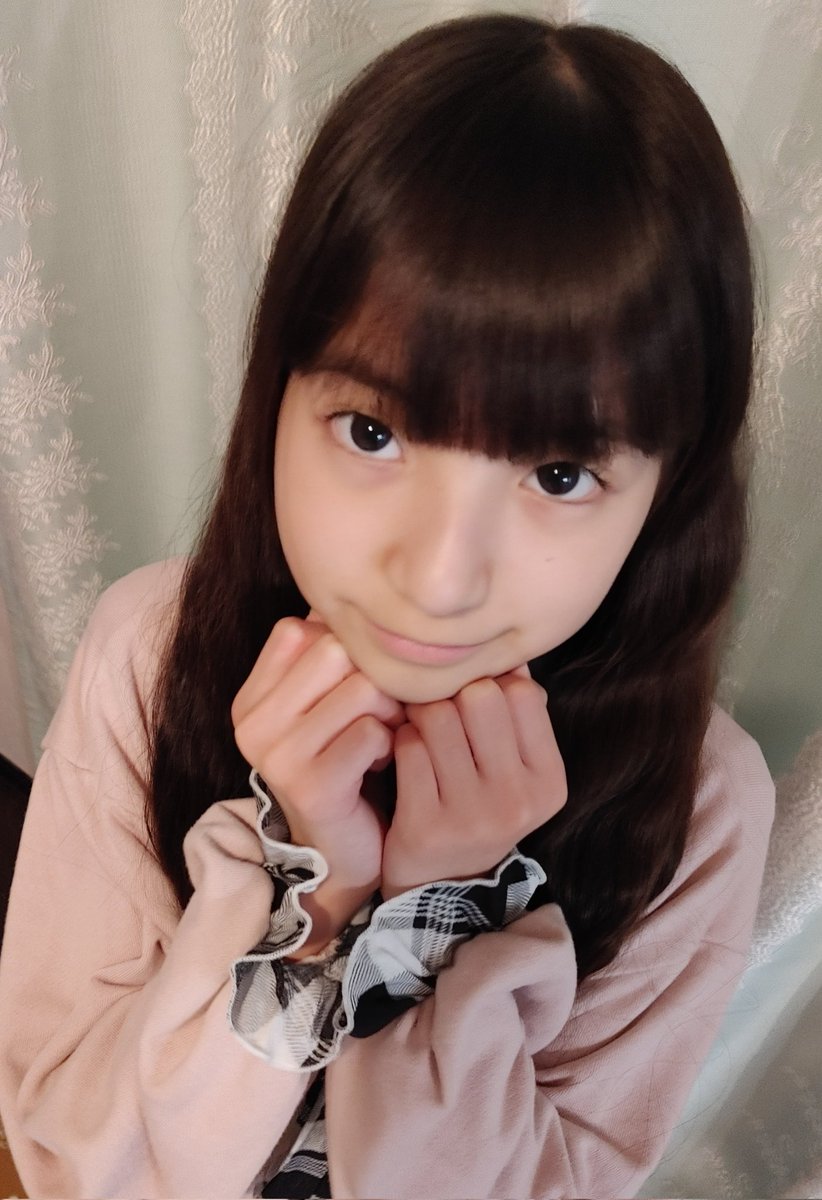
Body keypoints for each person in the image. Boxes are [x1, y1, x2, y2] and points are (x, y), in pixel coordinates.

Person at [0, 13, 774, 1200]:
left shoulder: (697, 799)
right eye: (372, 432)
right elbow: (69, 1162)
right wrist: (312, 901)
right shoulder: (151, 652)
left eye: (558, 474)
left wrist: (437, 911)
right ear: (277, 393)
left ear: (670, 493)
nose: (439, 577)